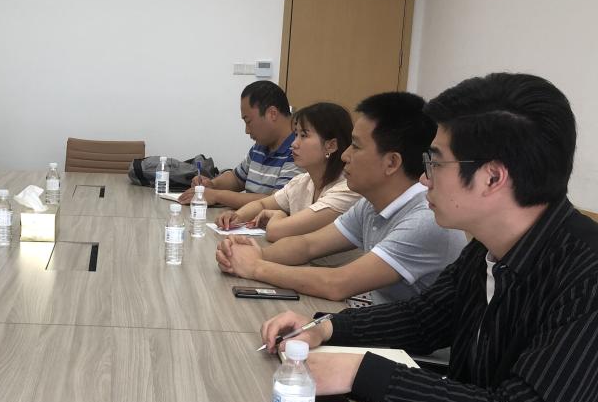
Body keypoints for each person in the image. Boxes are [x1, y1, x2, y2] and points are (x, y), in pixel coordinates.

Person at [261, 73, 598, 402]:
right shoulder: (488, 248)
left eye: (435, 163)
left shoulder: (586, 274)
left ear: (492, 177)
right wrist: (326, 328)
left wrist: (362, 371)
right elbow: (424, 320)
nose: (423, 179)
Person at [216, 91, 465, 305]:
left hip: (405, 343)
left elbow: (337, 284)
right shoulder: (371, 204)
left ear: (391, 162)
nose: (345, 155)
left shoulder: (425, 219)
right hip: (375, 322)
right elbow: (307, 246)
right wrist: (254, 254)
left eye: (356, 146)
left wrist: (256, 267)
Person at [215, 102, 360, 241]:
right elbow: (262, 205)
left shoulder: (347, 190)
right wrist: (237, 216)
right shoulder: (301, 181)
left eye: (304, 135)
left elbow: (276, 231)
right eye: (296, 134)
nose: (294, 144)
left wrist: (279, 215)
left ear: (331, 146)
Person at [178, 81, 299, 206]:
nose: (247, 131)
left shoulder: (298, 151)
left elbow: (276, 201)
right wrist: (211, 185)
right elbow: (236, 178)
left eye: (248, 121)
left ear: (272, 114)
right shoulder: (261, 146)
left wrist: (216, 196)